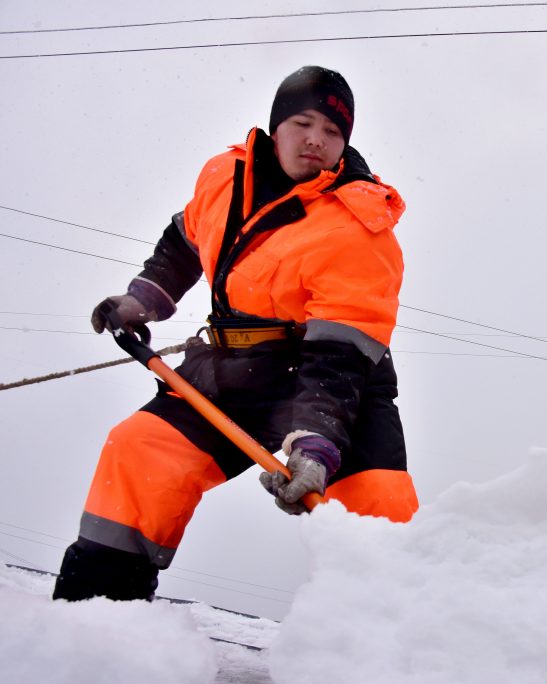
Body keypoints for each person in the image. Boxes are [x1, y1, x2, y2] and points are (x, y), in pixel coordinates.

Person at [53, 66, 418, 602]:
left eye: (334, 132)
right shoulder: (226, 175)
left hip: (328, 384)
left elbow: (339, 354)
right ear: (276, 126)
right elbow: (187, 237)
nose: (317, 139)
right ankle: (99, 616)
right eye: (303, 122)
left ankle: (406, 641)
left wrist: (316, 443)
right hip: (227, 372)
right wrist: (145, 299)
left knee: (377, 510)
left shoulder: (360, 224)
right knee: (139, 450)